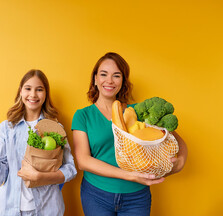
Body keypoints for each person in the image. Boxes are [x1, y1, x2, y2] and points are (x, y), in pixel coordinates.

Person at [71, 52, 187, 216]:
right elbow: (83, 161)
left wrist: (180, 162)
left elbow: (176, 140)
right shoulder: (83, 115)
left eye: (116, 76)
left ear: (123, 81)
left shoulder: (139, 112)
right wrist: (130, 176)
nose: (109, 80)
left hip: (137, 197)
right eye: (103, 74)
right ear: (95, 79)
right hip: (96, 195)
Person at [0, 69, 77, 216]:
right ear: (20, 92)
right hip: (9, 209)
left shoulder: (55, 128)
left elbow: (70, 168)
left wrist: (41, 178)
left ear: (46, 94)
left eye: (39, 89)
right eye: (28, 88)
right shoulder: (7, 127)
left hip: (47, 208)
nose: (33, 94)